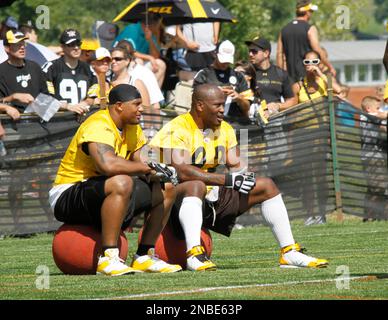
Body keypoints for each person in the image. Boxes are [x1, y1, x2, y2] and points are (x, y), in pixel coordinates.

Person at [149, 84, 328, 271]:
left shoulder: (223, 128)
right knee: (195, 185)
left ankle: (289, 252)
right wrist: (228, 180)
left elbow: (236, 165)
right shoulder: (177, 128)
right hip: (176, 202)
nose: (221, 110)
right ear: (200, 106)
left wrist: (245, 175)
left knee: (266, 185)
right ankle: (194, 254)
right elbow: (182, 171)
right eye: (217, 105)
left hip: (211, 195)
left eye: (223, 104)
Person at [48, 84, 182, 276]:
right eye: (136, 104)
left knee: (166, 187)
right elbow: (107, 165)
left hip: (107, 193)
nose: (141, 109)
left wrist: (161, 170)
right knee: (122, 181)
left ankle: (144, 255)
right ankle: (109, 257)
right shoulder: (98, 124)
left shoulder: (132, 127)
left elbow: (141, 162)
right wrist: (148, 167)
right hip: (68, 194)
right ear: (119, 105)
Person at [276, 0, 336, 83]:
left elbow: (279, 54)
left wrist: (280, 74)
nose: (311, 14)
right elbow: (317, 50)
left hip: (290, 77)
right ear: (307, 12)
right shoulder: (310, 29)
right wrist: (330, 66)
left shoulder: (284, 30)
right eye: (311, 11)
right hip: (307, 76)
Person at [42, 29, 97, 115]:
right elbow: (45, 98)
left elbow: (92, 96)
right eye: (71, 44)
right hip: (58, 121)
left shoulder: (88, 69)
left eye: (78, 44)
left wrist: (85, 103)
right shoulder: (51, 68)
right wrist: (67, 106)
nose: (76, 48)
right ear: (62, 47)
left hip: (81, 120)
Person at [193, 40, 251, 119]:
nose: (225, 63)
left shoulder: (239, 76)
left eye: (228, 60)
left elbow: (247, 107)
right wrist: (214, 93)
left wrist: (238, 98)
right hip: (210, 124)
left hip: (235, 124)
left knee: (245, 131)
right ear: (215, 54)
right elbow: (196, 103)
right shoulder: (203, 74)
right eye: (223, 59)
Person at [246, 36, 298, 117]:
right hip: (248, 124)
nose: (250, 54)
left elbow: (293, 101)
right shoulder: (246, 72)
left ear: (266, 53)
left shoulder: (281, 74)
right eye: (249, 51)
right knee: (243, 130)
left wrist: (278, 106)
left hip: (273, 123)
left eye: (254, 51)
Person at [113, 13, 166, 88]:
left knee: (161, 64)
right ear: (150, 25)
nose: (159, 27)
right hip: (122, 60)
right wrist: (149, 58)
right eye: (157, 25)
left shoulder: (151, 33)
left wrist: (150, 40)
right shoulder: (132, 29)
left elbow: (156, 56)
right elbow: (128, 51)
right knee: (138, 62)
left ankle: (152, 94)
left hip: (140, 62)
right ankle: (136, 92)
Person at [0, 30, 48, 112]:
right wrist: (13, 97)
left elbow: (46, 97)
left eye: (23, 43)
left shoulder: (35, 67)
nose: (22, 47)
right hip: (12, 122)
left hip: (37, 121)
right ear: (7, 48)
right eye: (17, 44)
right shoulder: (1, 71)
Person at [360, 96, 387, 221]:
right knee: (378, 186)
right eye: (377, 107)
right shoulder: (366, 116)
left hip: (378, 156)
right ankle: (371, 215)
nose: (380, 110)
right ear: (368, 108)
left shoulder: (374, 117)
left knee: (375, 187)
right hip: (371, 157)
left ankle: (374, 214)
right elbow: (381, 116)